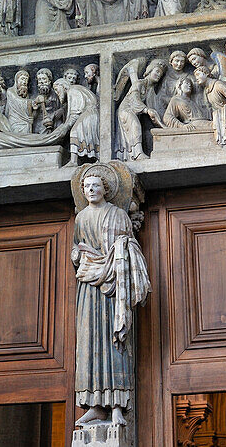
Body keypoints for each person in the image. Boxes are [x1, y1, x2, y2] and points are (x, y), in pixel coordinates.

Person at [72, 165, 150, 427]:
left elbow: (129, 245)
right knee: (89, 343)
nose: (90, 190)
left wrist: (120, 249)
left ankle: (117, 405)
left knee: (114, 344)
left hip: (114, 286)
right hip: (89, 288)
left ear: (106, 189)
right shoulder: (81, 218)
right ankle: (95, 405)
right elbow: (76, 248)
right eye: (86, 187)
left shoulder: (118, 214)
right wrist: (78, 254)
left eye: (95, 186)